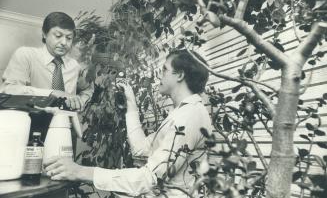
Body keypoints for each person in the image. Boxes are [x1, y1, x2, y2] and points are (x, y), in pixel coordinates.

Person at [43, 49, 213, 197]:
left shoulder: (190, 116)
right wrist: (131, 103)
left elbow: (149, 179)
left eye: (164, 70)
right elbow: (141, 150)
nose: (159, 75)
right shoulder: (180, 113)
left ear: (180, 75)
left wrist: (80, 171)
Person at [1, 12, 93, 110]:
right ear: (44, 34)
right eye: (58, 36)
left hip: (66, 123)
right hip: (30, 122)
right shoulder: (26, 55)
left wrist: (80, 102)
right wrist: (52, 93)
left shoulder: (74, 66)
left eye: (69, 38)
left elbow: (88, 89)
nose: (64, 42)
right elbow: (9, 89)